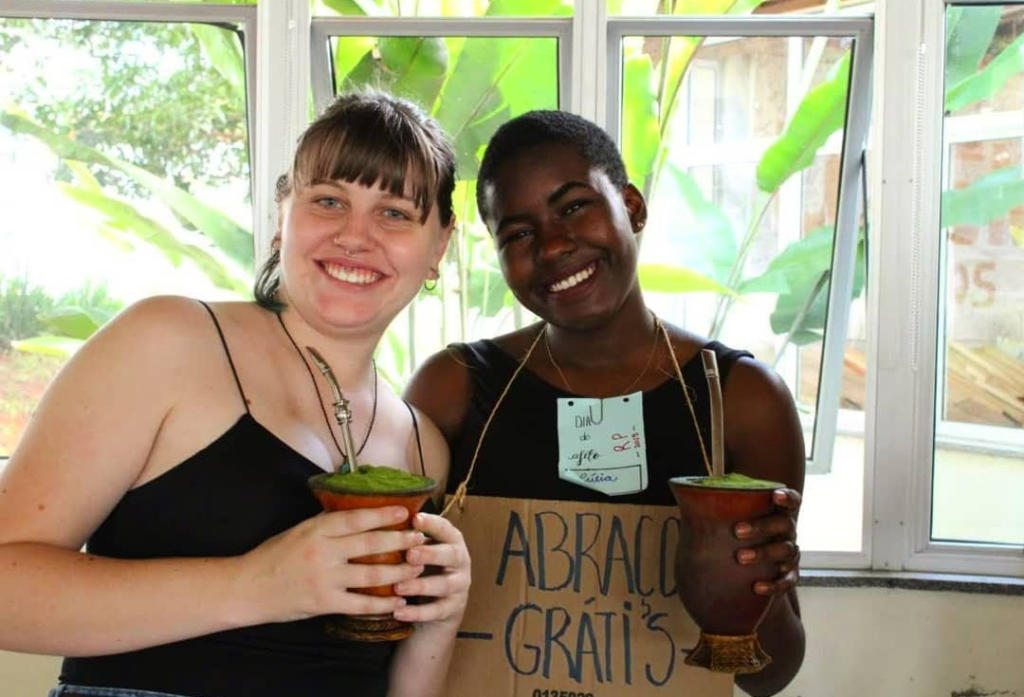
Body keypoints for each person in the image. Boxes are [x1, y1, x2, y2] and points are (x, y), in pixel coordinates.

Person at [0, 91, 470, 697]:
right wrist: (258, 584)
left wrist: (441, 618)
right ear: (283, 217)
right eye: (329, 201)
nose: (356, 236)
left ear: (439, 247)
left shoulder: (421, 446)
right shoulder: (169, 343)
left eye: (396, 213)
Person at [404, 110, 804, 697]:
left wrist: (743, 600)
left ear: (632, 208)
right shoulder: (455, 386)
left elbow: (771, 677)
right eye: (518, 233)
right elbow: (389, 614)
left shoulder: (740, 400)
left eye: (573, 207)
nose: (555, 245)